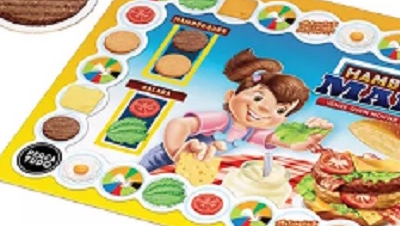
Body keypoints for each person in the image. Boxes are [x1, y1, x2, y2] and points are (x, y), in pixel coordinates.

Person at [141, 49, 331, 171]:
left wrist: (311, 139)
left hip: (193, 168)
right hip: (162, 161)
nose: (265, 109)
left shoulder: (251, 132)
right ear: (230, 96)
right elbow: (179, 124)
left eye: (280, 111)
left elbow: (285, 142)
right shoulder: (221, 120)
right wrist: (177, 153)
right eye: (258, 98)